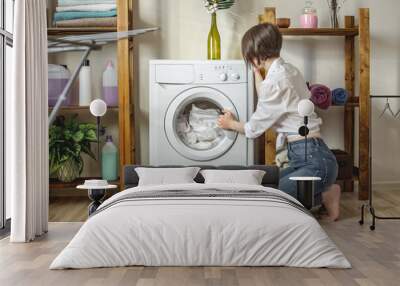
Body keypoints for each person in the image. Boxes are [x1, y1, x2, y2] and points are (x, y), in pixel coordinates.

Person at [217, 23, 341, 221]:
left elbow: (253, 129)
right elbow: (268, 97)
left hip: (315, 162)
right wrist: (258, 73)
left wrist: (229, 123)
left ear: (255, 54)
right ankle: (324, 192)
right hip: (311, 156)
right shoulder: (288, 70)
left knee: (271, 198)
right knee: (270, 187)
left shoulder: (276, 82)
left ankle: (323, 194)